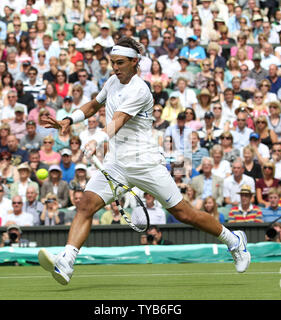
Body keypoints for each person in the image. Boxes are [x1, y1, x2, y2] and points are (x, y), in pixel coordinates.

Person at [38, 37, 251, 285]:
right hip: (116, 163)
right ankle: (67, 260)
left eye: (120, 63)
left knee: (185, 213)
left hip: (146, 163)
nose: (115, 68)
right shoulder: (112, 81)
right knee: (85, 204)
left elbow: (118, 120)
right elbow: (94, 104)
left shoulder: (140, 90)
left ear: (134, 62)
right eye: (112, 63)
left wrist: (96, 139)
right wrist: (68, 120)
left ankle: (233, 240)